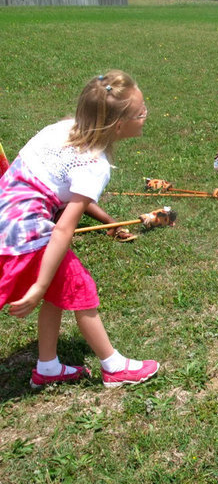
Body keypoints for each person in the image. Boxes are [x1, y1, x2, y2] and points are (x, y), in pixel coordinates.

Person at [0, 70, 160, 389]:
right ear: (118, 125)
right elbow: (63, 230)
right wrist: (38, 285)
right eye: (140, 112)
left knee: (61, 290)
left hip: (6, 213)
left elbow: (74, 197)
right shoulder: (93, 164)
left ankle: (47, 367)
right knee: (78, 287)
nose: (146, 116)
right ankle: (114, 367)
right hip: (25, 232)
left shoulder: (63, 129)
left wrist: (109, 223)